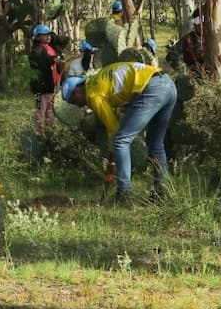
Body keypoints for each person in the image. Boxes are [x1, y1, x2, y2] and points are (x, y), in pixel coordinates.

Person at [61, 60, 177, 207]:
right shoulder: (97, 80)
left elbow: (113, 128)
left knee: (120, 140)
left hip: (152, 89)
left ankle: (124, 195)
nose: (77, 105)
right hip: (168, 84)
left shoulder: (92, 94)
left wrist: (112, 159)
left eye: (73, 100)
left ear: (78, 90)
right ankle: (162, 192)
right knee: (155, 143)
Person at [28, 24, 63, 138]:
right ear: (38, 37)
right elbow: (42, 62)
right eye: (44, 35)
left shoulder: (51, 48)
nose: (48, 37)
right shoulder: (36, 50)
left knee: (50, 111)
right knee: (40, 111)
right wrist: (53, 60)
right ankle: (38, 134)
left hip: (50, 85)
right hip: (40, 87)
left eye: (49, 34)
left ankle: (49, 132)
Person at [167, 9, 206, 77]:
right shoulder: (187, 39)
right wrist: (185, 71)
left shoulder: (214, 39)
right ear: (195, 24)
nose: (203, 26)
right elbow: (171, 56)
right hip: (194, 80)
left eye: (204, 23)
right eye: (200, 23)